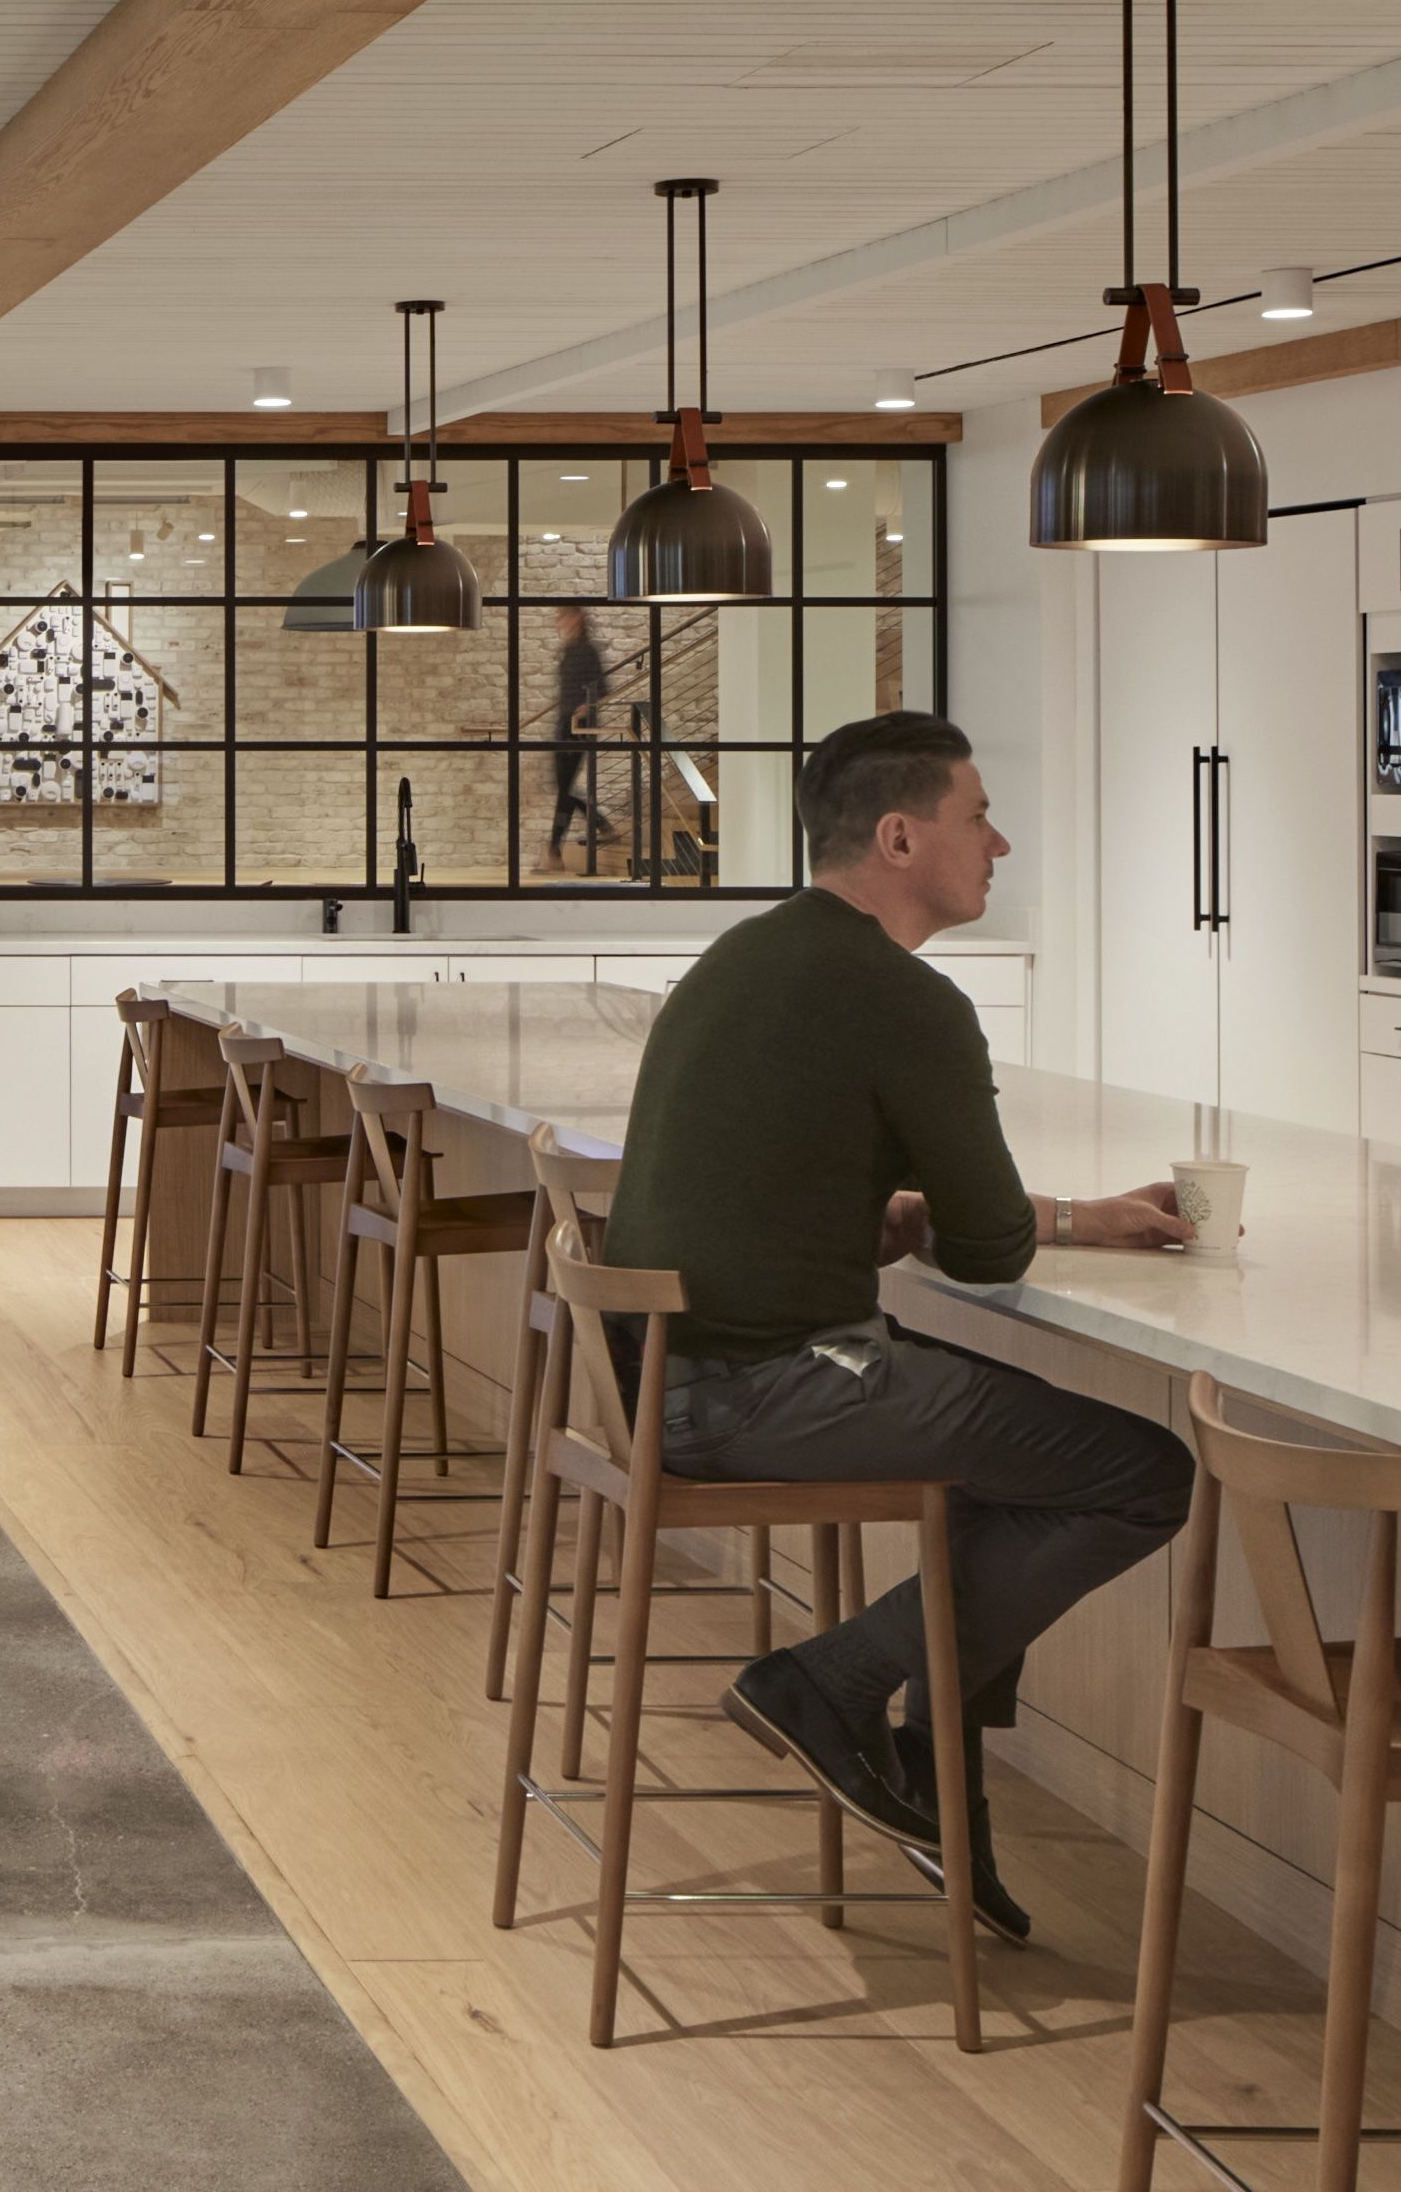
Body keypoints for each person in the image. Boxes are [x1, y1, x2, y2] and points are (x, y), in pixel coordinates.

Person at [601, 710, 1194, 1943]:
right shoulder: (904, 998)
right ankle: (835, 1681)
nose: (1002, 843)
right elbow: (983, 1252)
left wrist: (1077, 1215)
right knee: (1143, 1473)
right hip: (766, 1387)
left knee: (1005, 1463)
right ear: (900, 835)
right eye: (979, 817)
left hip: (671, 1377)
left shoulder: (747, 956)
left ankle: (939, 1786)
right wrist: (979, 1217)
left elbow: (832, 1194)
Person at [541, 605, 610, 873]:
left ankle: (555, 851)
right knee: (564, 789)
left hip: (580, 726)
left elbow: (602, 688)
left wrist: (586, 707)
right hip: (563, 724)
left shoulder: (588, 650)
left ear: (578, 618)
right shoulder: (568, 651)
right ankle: (599, 822)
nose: (560, 622)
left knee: (565, 789)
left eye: (563, 616)